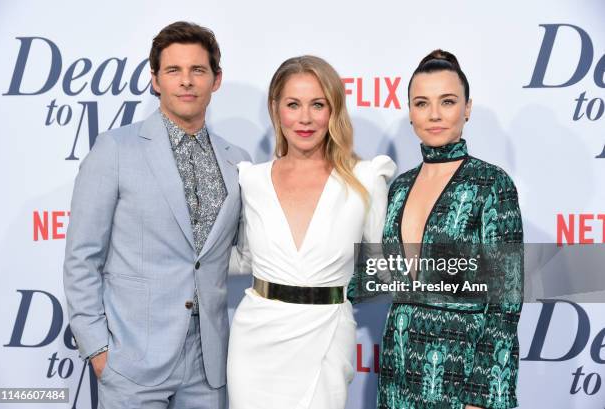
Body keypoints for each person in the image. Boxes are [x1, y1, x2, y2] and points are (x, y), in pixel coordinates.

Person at [63, 21, 249, 409]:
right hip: (132, 360)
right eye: (173, 71)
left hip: (209, 361)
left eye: (198, 70)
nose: (186, 81)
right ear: (155, 80)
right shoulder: (115, 149)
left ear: (216, 80)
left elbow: (232, 254)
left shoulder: (238, 161)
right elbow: (83, 256)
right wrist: (97, 348)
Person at [351, 50, 523, 409]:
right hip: (399, 372)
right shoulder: (398, 187)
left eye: (447, 101)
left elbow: (506, 302)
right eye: (421, 103)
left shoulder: (491, 184)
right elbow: (379, 276)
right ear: (410, 112)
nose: (434, 114)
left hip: (462, 378)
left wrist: (481, 395)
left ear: (467, 108)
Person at [227, 55, 396, 409]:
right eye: (293, 104)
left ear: (333, 110)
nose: (305, 118)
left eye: (317, 104)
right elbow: (243, 257)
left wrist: (492, 272)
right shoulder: (250, 180)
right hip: (256, 341)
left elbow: (385, 266)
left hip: (328, 334)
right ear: (276, 109)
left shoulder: (365, 178)